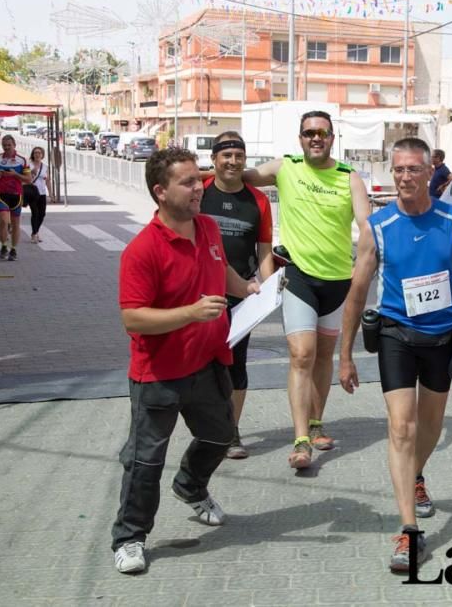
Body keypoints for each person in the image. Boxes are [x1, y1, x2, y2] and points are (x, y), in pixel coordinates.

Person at [338, 138, 452, 572]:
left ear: (429, 172)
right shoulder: (377, 227)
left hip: (441, 337)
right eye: (398, 170)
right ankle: (408, 530)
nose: (404, 178)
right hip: (396, 335)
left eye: (413, 170)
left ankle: (414, 475)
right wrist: (344, 356)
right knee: (402, 428)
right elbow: (357, 294)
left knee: (431, 427)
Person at [111, 147, 260, 575]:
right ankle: (129, 537)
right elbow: (132, 318)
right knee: (144, 461)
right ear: (160, 192)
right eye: (189, 182)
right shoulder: (142, 250)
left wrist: (249, 289)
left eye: (200, 179)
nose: (200, 188)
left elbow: (224, 270)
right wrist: (191, 313)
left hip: (208, 363)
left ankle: (190, 486)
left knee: (220, 437)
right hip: (157, 375)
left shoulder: (208, 228)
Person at [240, 110, 370, 470]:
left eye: (322, 133)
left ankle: (316, 423)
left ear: (332, 138)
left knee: (323, 357)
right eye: (309, 133)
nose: (316, 138)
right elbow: (240, 175)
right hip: (298, 276)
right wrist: (192, 176)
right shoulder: (286, 167)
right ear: (300, 138)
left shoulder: (349, 177)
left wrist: (366, 261)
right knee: (302, 354)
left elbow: (365, 223)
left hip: (337, 281)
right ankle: (300, 441)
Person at [200, 131, 274, 459]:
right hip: (199, 294)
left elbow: (264, 253)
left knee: (236, 366)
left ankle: (230, 432)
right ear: (214, 159)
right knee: (200, 365)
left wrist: (270, 293)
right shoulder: (198, 192)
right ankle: (204, 429)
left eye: (238, 156)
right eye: (226, 156)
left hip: (242, 294)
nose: (232, 161)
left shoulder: (257, 200)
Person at [0, 135, 31, 261]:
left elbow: (28, 179)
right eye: (4, 145)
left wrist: (15, 174)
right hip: (2, 194)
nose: (6, 147)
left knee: (16, 224)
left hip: (16, 195)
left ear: (14, 145)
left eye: (9, 145)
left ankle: (14, 249)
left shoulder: (22, 160)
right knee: (4, 221)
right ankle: (4, 246)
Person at [25, 146, 50, 243]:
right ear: (33, 154)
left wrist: (50, 194)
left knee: (42, 214)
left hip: (42, 193)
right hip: (32, 193)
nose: (37, 154)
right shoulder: (29, 166)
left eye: (39, 153)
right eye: (35, 153)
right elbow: (26, 180)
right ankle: (35, 234)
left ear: (42, 155)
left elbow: (48, 180)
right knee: (35, 213)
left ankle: (35, 232)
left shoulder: (45, 166)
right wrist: (31, 172)